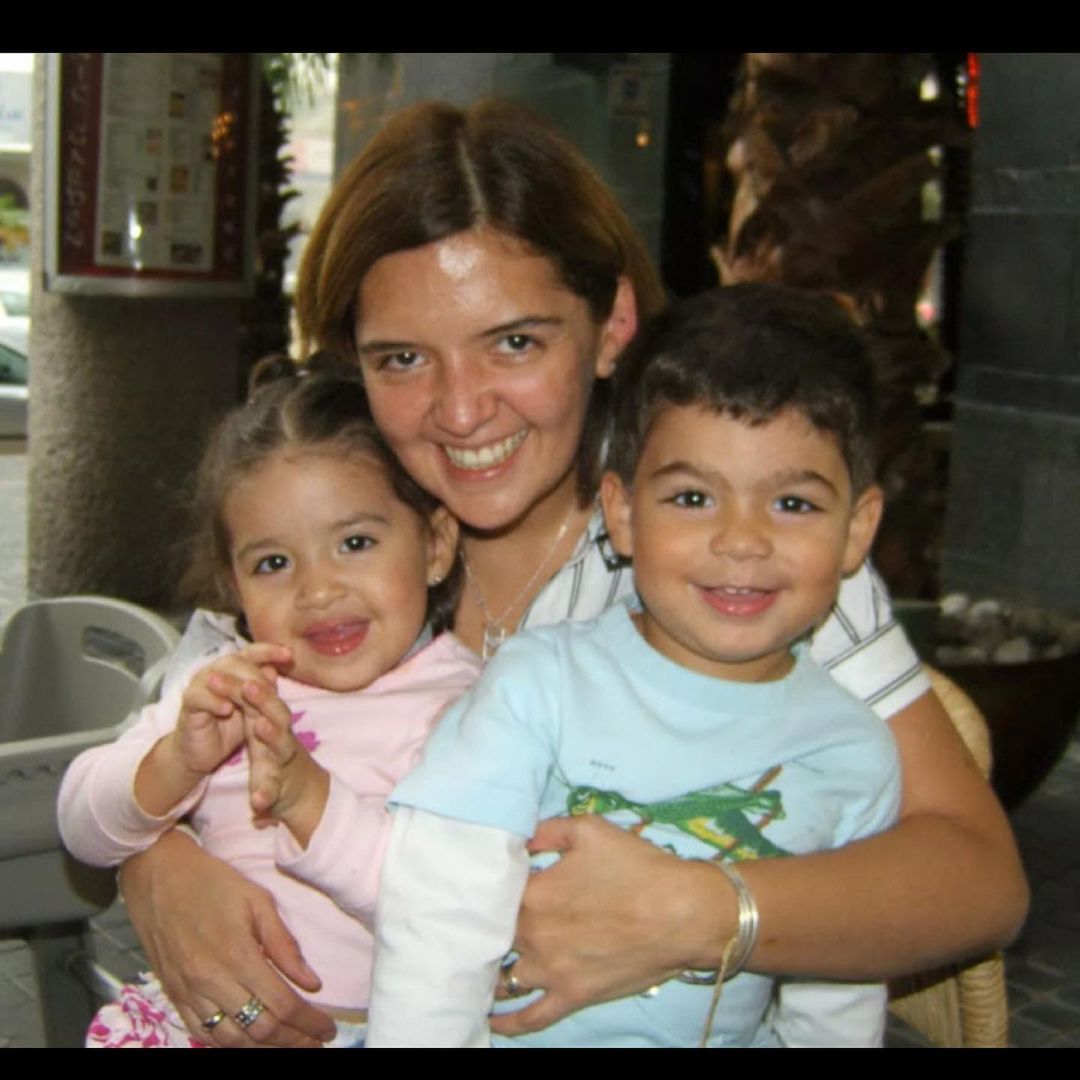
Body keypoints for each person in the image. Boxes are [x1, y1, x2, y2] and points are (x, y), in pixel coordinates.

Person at [116, 99, 1027, 1049]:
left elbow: (977, 880)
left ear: (612, 325)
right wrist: (158, 860)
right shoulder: (332, 540)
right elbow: (155, 747)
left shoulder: (726, 560)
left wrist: (703, 910)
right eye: (402, 359)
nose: (461, 411)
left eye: (516, 341)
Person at [366, 284, 900, 1048]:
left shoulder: (855, 755)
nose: (741, 541)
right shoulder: (536, 686)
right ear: (620, 514)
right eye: (691, 498)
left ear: (859, 528)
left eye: (793, 505)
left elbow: (836, 985)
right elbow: (437, 913)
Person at [57, 363, 475, 1047]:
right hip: (191, 1020)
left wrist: (307, 798)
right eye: (273, 564)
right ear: (234, 585)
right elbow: (80, 825)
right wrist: (176, 761)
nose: (317, 589)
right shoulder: (226, 683)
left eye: (356, 543)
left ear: (435, 544)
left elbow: (448, 906)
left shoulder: (467, 707)